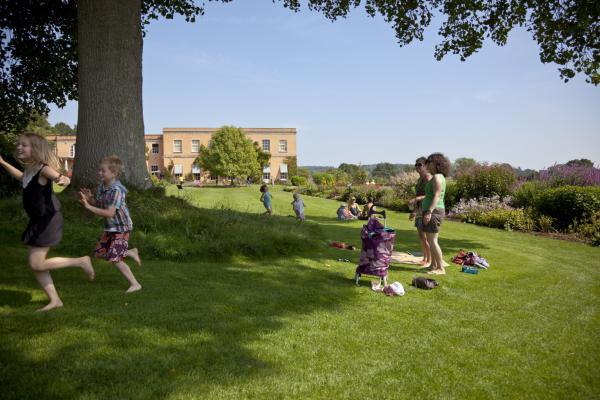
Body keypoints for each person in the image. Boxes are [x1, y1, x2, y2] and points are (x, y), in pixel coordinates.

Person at [0, 133, 95, 312]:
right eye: (18, 144)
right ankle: (55, 300)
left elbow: (59, 178)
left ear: (36, 149)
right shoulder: (30, 170)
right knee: (37, 264)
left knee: (36, 263)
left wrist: (63, 179)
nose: (19, 147)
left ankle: (81, 262)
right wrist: (3, 163)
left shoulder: (43, 169)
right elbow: (21, 177)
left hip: (48, 219)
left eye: (24, 145)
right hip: (37, 220)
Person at [79, 156, 142, 293]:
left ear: (114, 173)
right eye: (100, 170)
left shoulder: (117, 191)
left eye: (103, 171)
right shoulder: (103, 186)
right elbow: (100, 204)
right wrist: (90, 200)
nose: (100, 173)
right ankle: (130, 252)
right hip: (110, 227)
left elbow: (109, 213)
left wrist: (88, 208)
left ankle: (135, 284)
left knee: (115, 259)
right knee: (100, 253)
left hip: (121, 228)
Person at [421, 153, 450, 275]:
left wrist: (429, 212)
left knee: (433, 241)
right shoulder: (436, 176)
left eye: (430, 163)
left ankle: (440, 268)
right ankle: (433, 265)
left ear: (436, 164)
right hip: (431, 210)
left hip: (434, 211)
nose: (428, 166)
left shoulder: (438, 177)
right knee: (430, 239)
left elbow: (437, 195)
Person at [409, 157, 432, 267]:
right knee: (421, 236)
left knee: (426, 237)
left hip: (425, 209)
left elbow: (431, 195)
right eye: (416, 165)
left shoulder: (428, 177)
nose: (417, 167)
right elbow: (417, 195)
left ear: (425, 166)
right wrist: (413, 210)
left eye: (419, 165)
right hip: (419, 209)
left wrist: (417, 200)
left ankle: (429, 260)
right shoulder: (419, 179)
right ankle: (424, 258)